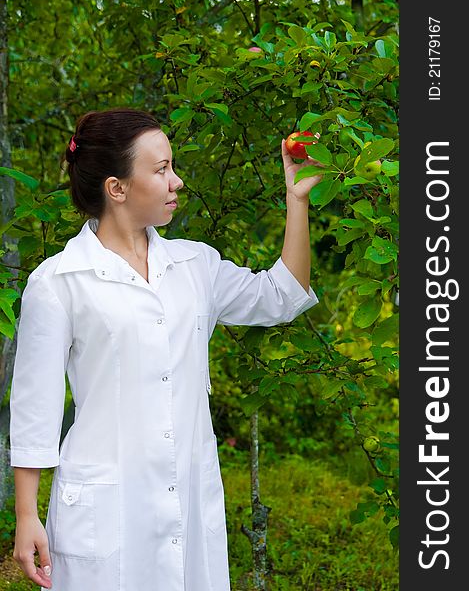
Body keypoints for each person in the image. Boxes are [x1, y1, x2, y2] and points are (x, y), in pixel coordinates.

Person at [9, 107, 322, 591]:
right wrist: (27, 515)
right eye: (161, 170)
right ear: (117, 188)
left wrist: (296, 199)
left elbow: (282, 295)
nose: (177, 181)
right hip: (106, 508)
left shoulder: (195, 264)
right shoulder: (57, 282)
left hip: (188, 501)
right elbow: (35, 412)